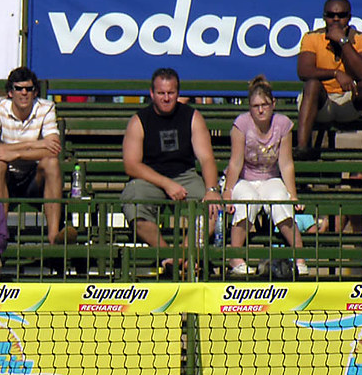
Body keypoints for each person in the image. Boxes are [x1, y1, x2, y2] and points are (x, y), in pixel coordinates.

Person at [122, 67, 222, 279]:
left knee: (213, 208)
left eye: (171, 93)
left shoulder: (193, 117)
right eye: (161, 93)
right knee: (132, 201)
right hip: (150, 177)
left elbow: (206, 158)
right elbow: (131, 165)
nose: (166, 98)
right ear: (151, 93)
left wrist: (212, 190)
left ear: (178, 93)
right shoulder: (139, 121)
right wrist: (166, 183)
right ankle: (166, 252)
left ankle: (179, 258)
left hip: (185, 175)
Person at [223, 76, 307, 278]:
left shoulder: (283, 124)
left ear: (273, 104)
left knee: (280, 200)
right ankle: (235, 257)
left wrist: (293, 195)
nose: (260, 110)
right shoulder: (241, 124)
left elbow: (286, 163)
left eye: (265, 105)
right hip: (244, 178)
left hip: (270, 177)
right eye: (255, 106)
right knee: (246, 201)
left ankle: (300, 258)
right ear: (250, 107)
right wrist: (227, 191)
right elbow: (235, 162)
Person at [0, 66, 75, 245]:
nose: (24, 93)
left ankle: (54, 236)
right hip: (5, 176)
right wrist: (32, 144)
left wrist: (12, 152)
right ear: (10, 92)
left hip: (34, 178)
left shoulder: (46, 107)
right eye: (18, 88)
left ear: (35, 92)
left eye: (29, 89)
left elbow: (53, 149)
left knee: (52, 164)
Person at [294, 0, 362, 161]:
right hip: (321, 102)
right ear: (324, 17)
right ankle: (302, 148)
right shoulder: (312, 38)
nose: (335, 19)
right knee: (312, 84)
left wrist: (343, 42)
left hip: (350, 102)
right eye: (330, 15)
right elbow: (303, 71)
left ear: (349, 18)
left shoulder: (361, 39)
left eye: (341, 15)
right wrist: (335, 73)